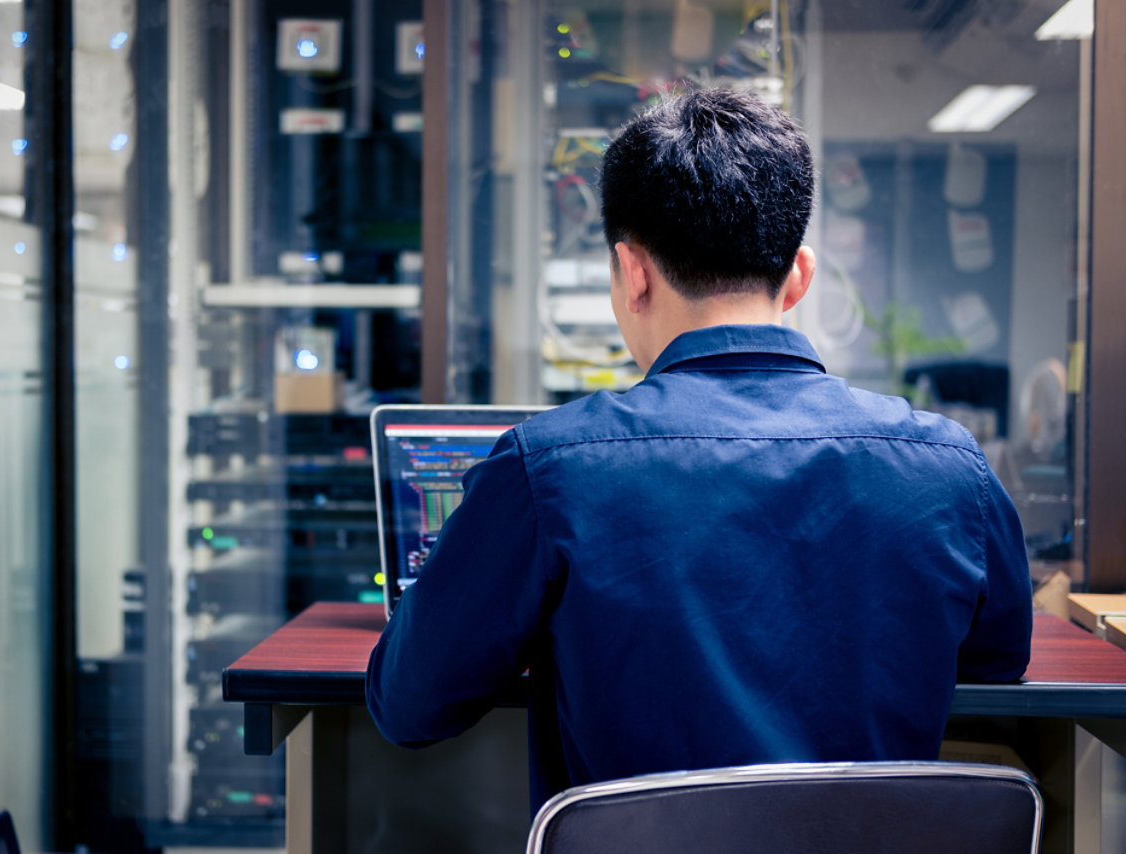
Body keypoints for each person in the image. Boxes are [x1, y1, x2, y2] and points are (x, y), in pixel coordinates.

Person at [365, 88, 1032, 815]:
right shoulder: (950, 467)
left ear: (633, 273)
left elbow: (409, 705)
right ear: (799, 275)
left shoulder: (549, 468)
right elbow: (994, 663)